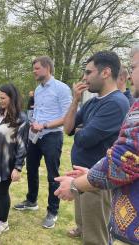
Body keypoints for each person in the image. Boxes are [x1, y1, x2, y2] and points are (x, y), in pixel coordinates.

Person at [55, 45, 139, 245]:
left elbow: (84, 138)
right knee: (86, 229)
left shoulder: (117, 103)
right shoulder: (92, 103)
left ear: (106, 72)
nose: (84, 78)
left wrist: (80, 130)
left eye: (88, 72)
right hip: (88, 174)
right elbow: (68, 129)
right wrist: (75, 100)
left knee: (96, 238)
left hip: (99, 182)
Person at [14, 56, 72, 229]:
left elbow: (68, 117)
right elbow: (37, 112)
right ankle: (31, 201)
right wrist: (33, 124)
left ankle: (53, 211)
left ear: (47, 68)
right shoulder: (38, 90)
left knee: (52, 175)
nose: (34, 71)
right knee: (31, 169)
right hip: (35, 136)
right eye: (34, 68)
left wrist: (45, 125)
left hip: (52, 136)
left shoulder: (62, 88)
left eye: (37, 68)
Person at [0, 83, 29, 236]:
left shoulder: (21, 119)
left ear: (12, 97)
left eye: (3, 98)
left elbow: (22, 146)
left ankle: (4, 222)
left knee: (2, 191)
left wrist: (18, 167)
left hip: (5, 163)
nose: (0, 101)